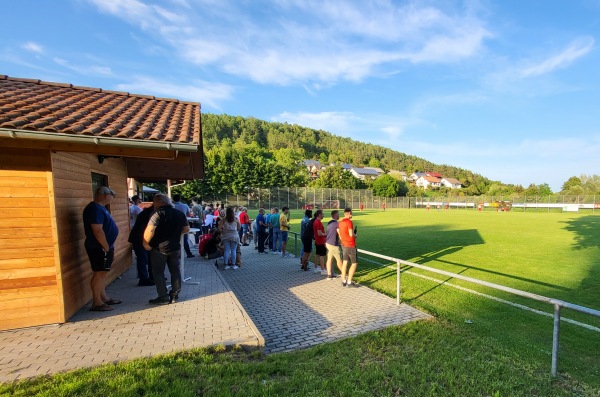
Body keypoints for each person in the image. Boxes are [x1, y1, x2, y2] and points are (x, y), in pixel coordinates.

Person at [143, 194, 189, 305]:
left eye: (154, 202)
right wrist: (174, 234)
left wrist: (145, 243)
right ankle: (174, 296)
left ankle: (163, 297)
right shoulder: (180, 213)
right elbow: (186, 229)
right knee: (175, 271)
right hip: (174, 247)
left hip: (158, 248)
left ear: (159, 202)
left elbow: (150, 230)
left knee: (158, 272)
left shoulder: (157, 213)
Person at [83, 186, 121, 312]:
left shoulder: (100, 208)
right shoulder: (94, 209)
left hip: (104, 247)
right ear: (105, 195)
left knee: (103, 272)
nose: (112, 198)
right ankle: (97, 302)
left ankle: (103, 297)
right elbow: (97, 230)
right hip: (99, 247)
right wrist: (105, 246)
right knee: (99, 273)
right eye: (112, 195)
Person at [128, 205, 155, 286]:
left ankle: (151, 277)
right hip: (140, 239)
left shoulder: (148, 212)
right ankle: (143, 279)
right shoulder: (151, 214)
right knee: (143, 259)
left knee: (148, 258)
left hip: (142, 238)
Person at [338, 207, 359, 287]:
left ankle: (343, 280)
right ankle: (349, 282)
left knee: (345, 262)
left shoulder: (340, 222)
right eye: (351, 213)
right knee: (354, 263)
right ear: (349, 213)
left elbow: (340, 233)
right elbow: (351, 234)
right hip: (350, 245)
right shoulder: (349, 222)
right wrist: (355, 235)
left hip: (343, 245)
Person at [325, 210, 342, 280]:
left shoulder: (329, 222)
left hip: (328, 243)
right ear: (335, 215)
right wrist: (341, 240)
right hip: (333, 244)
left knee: (329, 259)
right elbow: (339, 233)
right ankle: (344, 274)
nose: (339, 215)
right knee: (339, 260)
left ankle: (329, 275)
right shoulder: (337, 223)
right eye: (338, 214)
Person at [312, 210, 327, 275]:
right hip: (321, 241)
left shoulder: (315, 222)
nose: (323, 215)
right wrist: (326, 234)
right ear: (319, 215)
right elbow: (319, 233)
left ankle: (315, 268)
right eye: (322, 214)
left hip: (317, 241)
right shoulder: (318, 222)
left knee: (317, 254)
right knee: (322, 255)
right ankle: (323, 270)